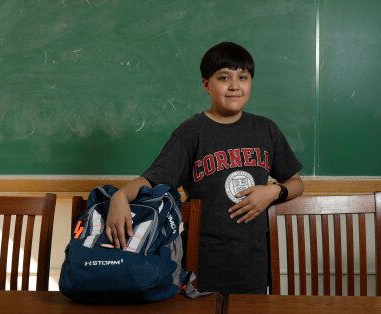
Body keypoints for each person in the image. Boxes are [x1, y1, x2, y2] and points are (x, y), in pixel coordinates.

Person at [106, 42, 304, 294]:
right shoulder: (192, 132)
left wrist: (273, 192)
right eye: (224, 78)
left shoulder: (266, 130)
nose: (234, 85)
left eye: (242, 77)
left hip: (253, 262)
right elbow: (152, 180)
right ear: (206, 84)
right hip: (202, 263)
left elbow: (297, 183)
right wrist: (120, 195)